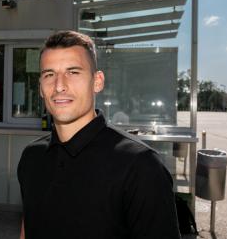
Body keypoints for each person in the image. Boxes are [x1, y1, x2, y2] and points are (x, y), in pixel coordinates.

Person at [17, 30, 180, 239]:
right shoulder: (32, 158)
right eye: (49, 74)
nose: (59, 86)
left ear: (97, 81)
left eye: (73, 72)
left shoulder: (141, 167)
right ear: (40, 87)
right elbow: (28, 229)